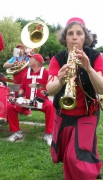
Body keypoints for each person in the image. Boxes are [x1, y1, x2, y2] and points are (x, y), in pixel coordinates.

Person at [46, 17, 103, 179]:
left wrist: (89, 69)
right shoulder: (58, 58)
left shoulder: (95, 56)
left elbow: (101, 88)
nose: (75, 37)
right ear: (65, 38)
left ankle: (87, 171)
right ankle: (93, 166)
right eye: (70, 33)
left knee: (75, 156)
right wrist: (62, 79)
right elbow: (50, 88)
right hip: (63, 113)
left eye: (79, 33)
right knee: (66, 153)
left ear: (85, 37)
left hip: (87, 113)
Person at [6, 54, 54, 145]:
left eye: (31, 59)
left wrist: (48, 92)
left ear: (36, 61)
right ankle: (17, 132)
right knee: (10, 106)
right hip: (27, 100)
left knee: (51, 106)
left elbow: (52, 86)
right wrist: (20, 96)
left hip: (41, 101)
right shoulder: (27, 73)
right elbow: (22, 87)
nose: (29, 60)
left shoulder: (46, 72)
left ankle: (49, 134)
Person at [3, 44, 32, 116]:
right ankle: (19, 110)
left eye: (21, 48)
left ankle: (26, 111)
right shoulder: (14, 58)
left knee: (25, 93)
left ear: (24, 49)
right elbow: (4, 65)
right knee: (17, 94)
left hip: (25, 77)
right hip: (16, 78)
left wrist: (28, 53)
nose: (20, 50)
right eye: (18, 48)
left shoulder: (27, 56)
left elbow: (35, 60)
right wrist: (13, 63)